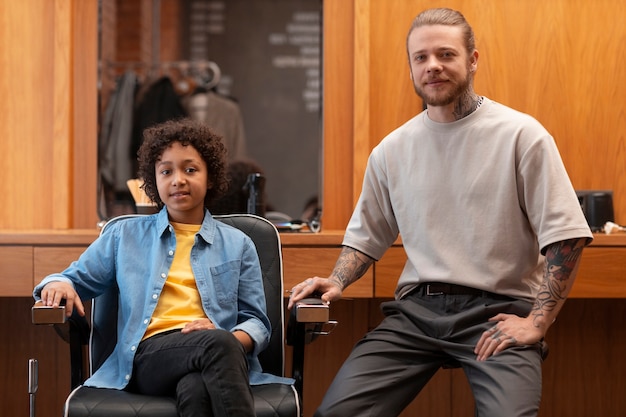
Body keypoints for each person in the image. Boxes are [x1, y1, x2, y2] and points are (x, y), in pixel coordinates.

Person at [288, 8, 593, 417]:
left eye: (446, 54)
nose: (433, 66)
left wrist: (537, 323)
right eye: (421, 57)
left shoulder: (522, 135)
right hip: (417, 313)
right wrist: (337, 279)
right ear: (412, 67)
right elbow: (367, 237)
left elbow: (567, 236)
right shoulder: (392, 150)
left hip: (497, 312)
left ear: (472, 60)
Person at [34, 118, 290, 417]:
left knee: (196, 390)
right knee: (216, 346)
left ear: (210, 177)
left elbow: (257, 323)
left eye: (190, 169)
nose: (178, 179)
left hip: (215, 354)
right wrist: (58, 284)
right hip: (148, 358)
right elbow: (71, 279)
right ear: (154, 181)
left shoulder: (239, 244)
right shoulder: (124, 236)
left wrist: (228, 340)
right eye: (166, 171)